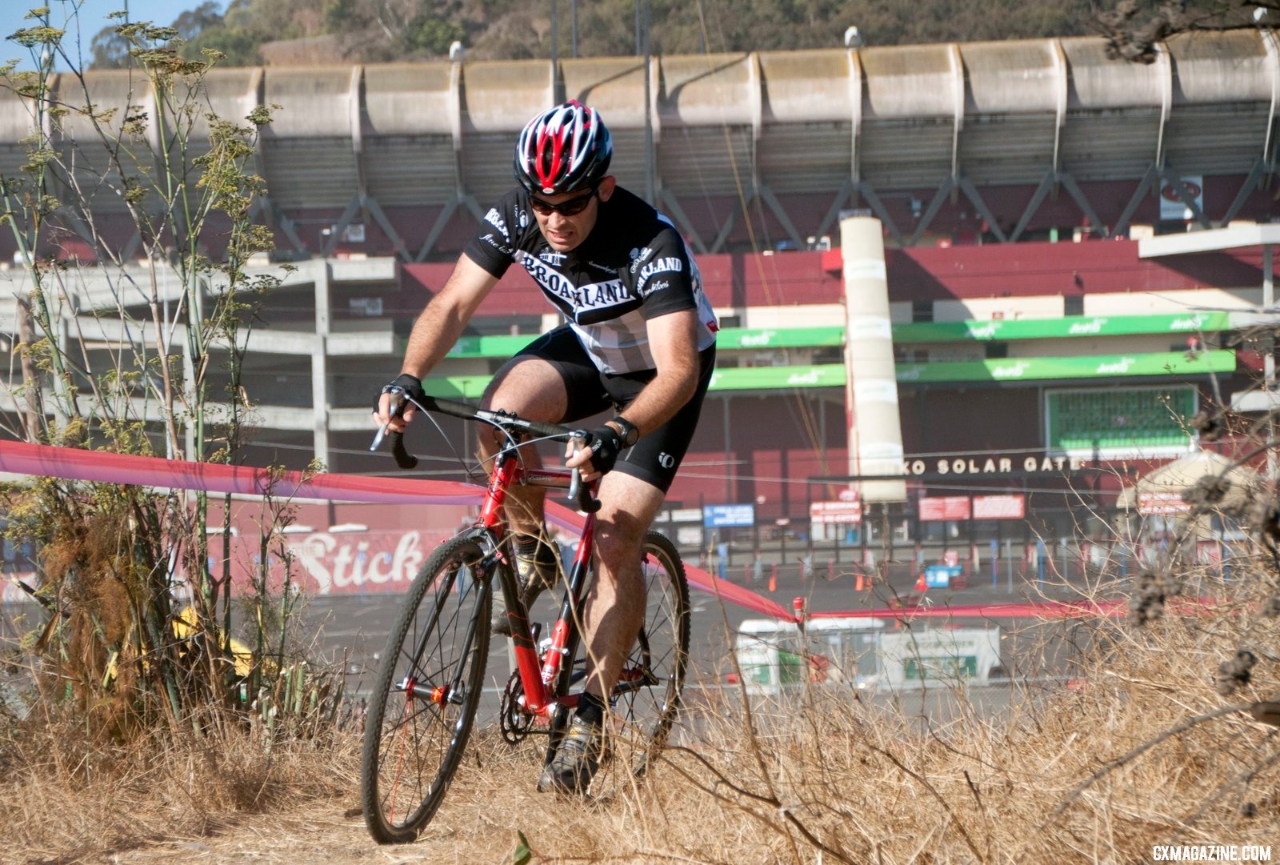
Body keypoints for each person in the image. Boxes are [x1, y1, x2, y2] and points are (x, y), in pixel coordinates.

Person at [373, 100, 717, 794]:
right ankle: (531, 554)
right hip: (593, 351)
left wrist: (618, 431)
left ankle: (590, 718)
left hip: (662, 377)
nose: (554, 218)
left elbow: (678, 368)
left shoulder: (650, 241)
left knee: (617, 535)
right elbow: (453, 303)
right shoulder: (520, 214)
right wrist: (411, 376)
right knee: (499, 418)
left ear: (604, 189)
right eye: (542, 203)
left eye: (571, 203)